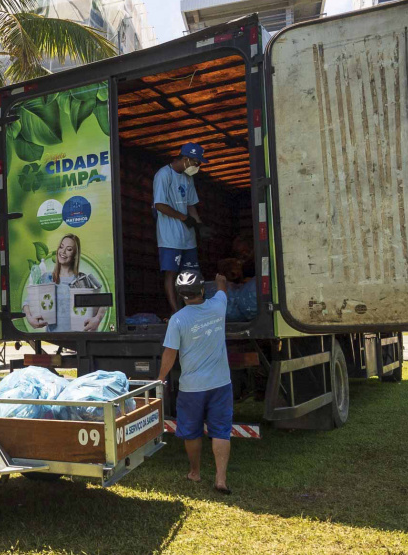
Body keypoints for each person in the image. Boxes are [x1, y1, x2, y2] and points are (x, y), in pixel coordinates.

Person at [158, 271, 232, 495]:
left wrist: (160, 377)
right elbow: (222, 289)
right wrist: (220, 280)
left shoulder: (178, 320)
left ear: (181, 296)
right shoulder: (219, 306)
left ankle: (195, 472)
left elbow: (170, 354)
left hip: (191, 388)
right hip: (221, 383)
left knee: (191, 432)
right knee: (221, 431)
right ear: (202, 290)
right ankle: (220, 478)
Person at [153, 142, 209, 313]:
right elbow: (159, 205)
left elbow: (191, 204)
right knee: (171, 273)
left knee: (190, 273)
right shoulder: (163, 174)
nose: (197, 167)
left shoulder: (188, 177)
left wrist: (198, 225)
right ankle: (175, 311)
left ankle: (190, 309)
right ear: (185, 159)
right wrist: (183, 218)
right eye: (196, 163)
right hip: (170, 236)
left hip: (187, 237)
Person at [22, 234, 107, 332]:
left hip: (79, 337)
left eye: (69, 249)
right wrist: (29, 318)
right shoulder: (48, 278)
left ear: (75, 254)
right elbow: (28, 302)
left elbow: (103, 303)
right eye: (61, 247)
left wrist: (97, 319)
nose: (63, 251)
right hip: (55, 338)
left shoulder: (81, 279)